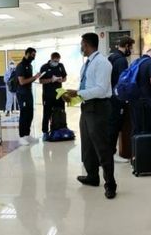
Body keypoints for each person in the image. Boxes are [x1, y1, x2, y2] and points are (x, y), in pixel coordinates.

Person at [62, 33, 116, 199]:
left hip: (99, 109)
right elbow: (87, 88)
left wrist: (78, 92)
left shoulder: (102, 63)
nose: (81, 48)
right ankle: (92, 176)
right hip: (87, 108)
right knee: (87, 146)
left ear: (86, 44)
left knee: (102, 147)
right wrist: (73, 96)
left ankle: (110, 185)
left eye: (82, 45)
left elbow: (100, 90)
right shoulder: (87, 64)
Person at [108, 36, 135, 163]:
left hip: (110, 96)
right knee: (115, 125)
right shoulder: (121, 60)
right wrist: (126, 98)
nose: (132, 49)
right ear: (127, 46)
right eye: (131, 47)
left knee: (112, 124)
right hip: (117, 98)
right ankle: (111, 153)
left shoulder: (111, 57)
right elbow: (123, 81)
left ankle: (109, 152)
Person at [129, 48, 151, 135]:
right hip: (145, 102)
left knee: (136, 129)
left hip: (133, 100)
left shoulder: (135, 62)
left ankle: (136, 148)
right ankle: (145, 148)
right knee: (146, 130)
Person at [16, 47, 41, 146]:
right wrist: (35, 77)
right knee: (24, 113)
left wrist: (36, 77)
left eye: (34, 55)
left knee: (30, 113)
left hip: (28, 92)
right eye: (32, 55)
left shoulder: (29, 66)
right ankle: (21, 136)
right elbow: (22, 82)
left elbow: (29, 80)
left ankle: (27, 134)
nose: (33, 57)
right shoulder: (20, 66)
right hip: (22, 93)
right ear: (27, 54)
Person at [39, 52, 67, 141]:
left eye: (58, 61)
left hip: (59, 94)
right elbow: (41, 81)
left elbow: (65, 78)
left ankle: (60, 129)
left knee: (60, 112)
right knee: (47, 113)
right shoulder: (44, 67)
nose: (56, 62)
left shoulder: (61, 66)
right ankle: (45, 132)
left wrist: (60, 80)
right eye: (55, 61)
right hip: (48, 95)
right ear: (51, 59)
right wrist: (51, 80)